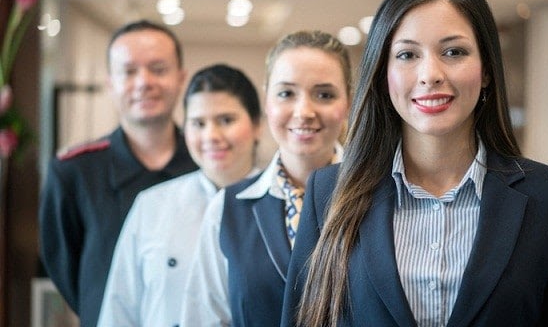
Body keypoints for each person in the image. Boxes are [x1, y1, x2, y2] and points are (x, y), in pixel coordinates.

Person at [282, 0, 548, 327]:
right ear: (383, 74)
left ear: (487, 70)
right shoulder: (328, 193)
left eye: (454, 51)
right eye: (407, 54)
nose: (430, 73)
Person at [179, 30, 352, 327]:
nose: (304, 112)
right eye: (286, 93)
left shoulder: (383, 194)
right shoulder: (228, 209)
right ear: (267, 100)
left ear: (348, 101)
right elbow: (205, 319)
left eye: (324, 94)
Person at [39, 20, 198, 327]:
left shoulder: (207, 167)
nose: (144, 82)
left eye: (158, 69)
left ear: (181, 78)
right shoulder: (73, 171)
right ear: (110, 83)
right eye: (129, 72)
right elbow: (65, 270)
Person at [97, 64, 263, 326]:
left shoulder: (280, 203)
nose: (211, 136)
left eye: (226, 120)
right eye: (198, 123)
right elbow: (120, 310)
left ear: (257, 125)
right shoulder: (151, 205)